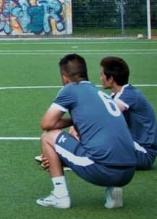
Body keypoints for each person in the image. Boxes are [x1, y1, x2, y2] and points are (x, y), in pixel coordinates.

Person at [36, 54, 136, 209]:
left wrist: (73, 120)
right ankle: (113, 190)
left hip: (102, 168)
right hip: (129, 171)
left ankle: (60, 195)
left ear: (65, 77)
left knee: (48, 136)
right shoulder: (101, 94)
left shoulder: (70, 90)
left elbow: (46, 123)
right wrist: (77, 120)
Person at [99, 56, 157, 170]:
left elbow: (104, 114)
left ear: (111, 78)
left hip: (144, 154)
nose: (100, 78)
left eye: (102, 74)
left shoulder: (129, 95)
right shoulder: (116, 95)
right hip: (134, 148)